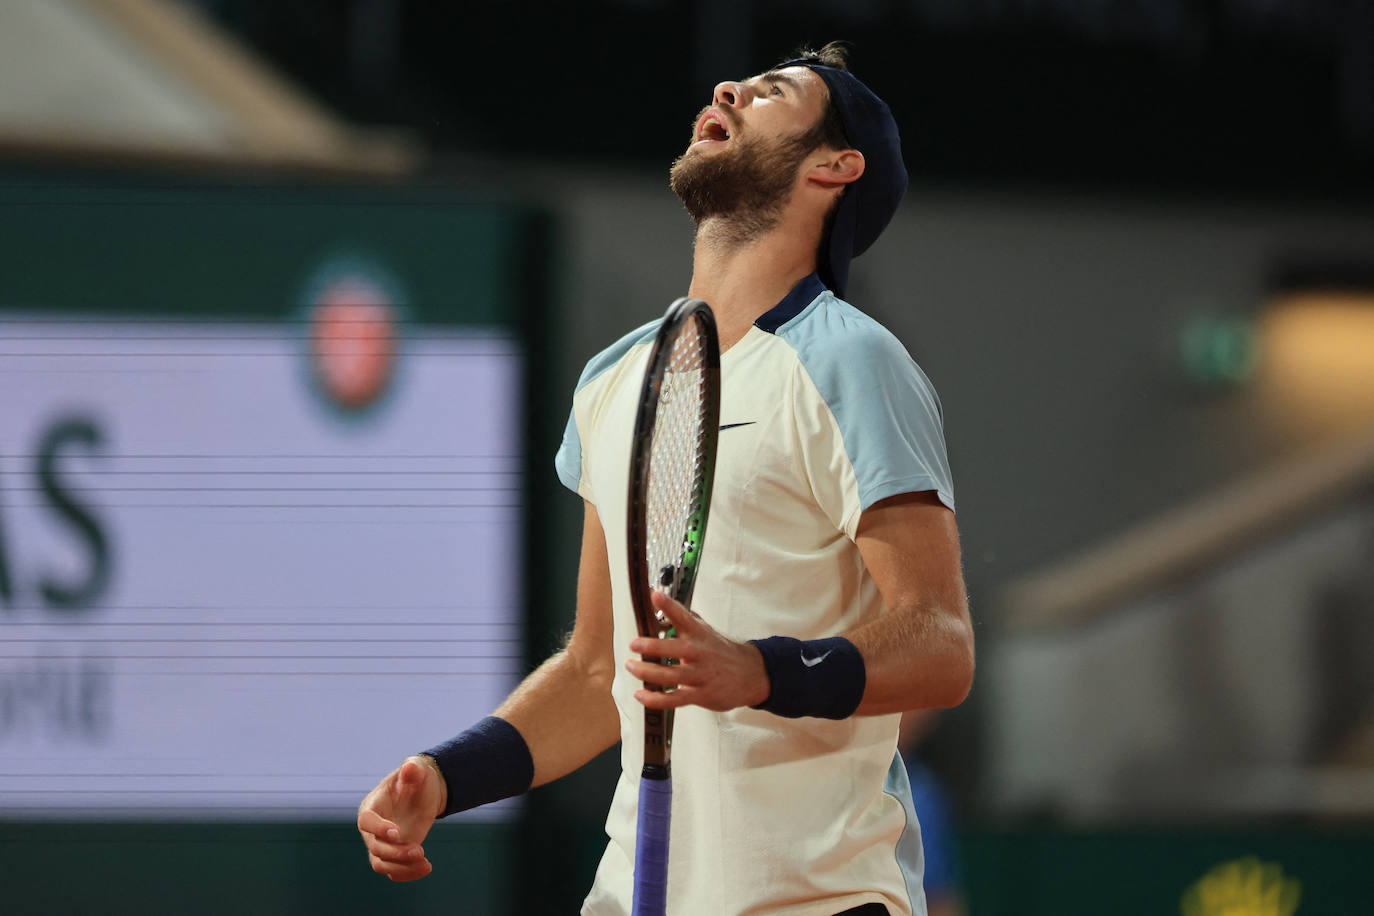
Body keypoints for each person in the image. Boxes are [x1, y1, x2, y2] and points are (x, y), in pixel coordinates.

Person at [357, 42, 974, 916]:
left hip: (819, 902)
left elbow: (940, 644)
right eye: (739, 83)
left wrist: (759, 670)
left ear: (836, 166)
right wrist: (445, 778)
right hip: (633, 895)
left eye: (772, 92)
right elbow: (596, 670)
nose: (728, 88)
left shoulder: (853, 363)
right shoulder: (614, 382)